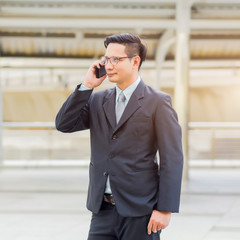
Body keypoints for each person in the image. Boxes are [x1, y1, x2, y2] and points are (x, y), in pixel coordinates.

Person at [55, 33, 183, 240]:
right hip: (102, 210)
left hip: (140, 211)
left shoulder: (158, 102)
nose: (109, 65)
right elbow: (63, 124)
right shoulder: (97, 100)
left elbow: (172, 158)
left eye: (116, 59)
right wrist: (86, 86)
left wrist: (165, 209)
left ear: (135, 61)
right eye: (106, 59)